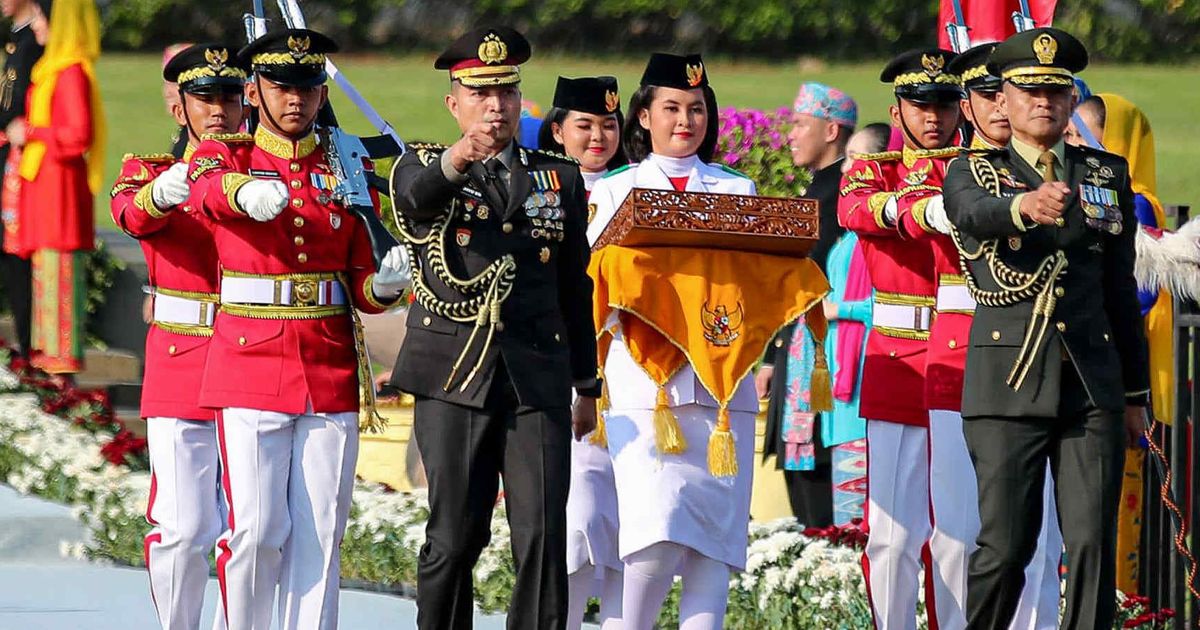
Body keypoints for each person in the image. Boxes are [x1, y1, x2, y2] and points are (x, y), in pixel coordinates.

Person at [588, 52, 828, 630]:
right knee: (652, 535)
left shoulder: (736, 187)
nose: (685, 120)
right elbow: (596, 283)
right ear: (643, 116)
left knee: (715, 546)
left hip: (724, 391)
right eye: (670, 107)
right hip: (649, 387)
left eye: (696, 108)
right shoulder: (614, 190)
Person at [187, 28, 410, 629]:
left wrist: (384, 287)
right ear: (254, 91)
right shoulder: (226, 154)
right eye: (282, 86)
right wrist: (242, 192)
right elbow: (205, 190)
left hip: (327, 360)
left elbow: (362, 276)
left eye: (309, 88)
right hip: (250, 358)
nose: (297, 100)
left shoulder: (344, 158)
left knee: (321, 533)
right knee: (257, 530)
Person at [387, 26, 599, 630]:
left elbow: (572, 285)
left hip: (536, 376)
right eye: (479, 93)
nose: (495, 106)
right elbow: (416, 202)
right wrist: (460, 159)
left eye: (505, 92)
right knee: (455, 533)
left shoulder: (558, 176)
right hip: (455, 373)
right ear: (454, 103)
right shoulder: (426, 165)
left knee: (542, 534)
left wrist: (586, 385)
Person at [943, 27, 1149, 629]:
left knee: (1091, 547)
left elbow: (1119, 287)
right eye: (1029, 90)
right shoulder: (976, 169)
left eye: (1057, 91)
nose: (1044, 102)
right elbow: (969, 213)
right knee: (1006, 548)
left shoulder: (1104, 173)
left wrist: (1135, 393)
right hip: (1010, 380)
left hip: (1092, 383)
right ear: (1001, 100)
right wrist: (1021, 208)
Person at [110, 42, 247, 630]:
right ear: (180, 111)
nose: (217, 110)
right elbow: (133, 214)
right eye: (203, 99)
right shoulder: (146, 171)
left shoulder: (265, 176)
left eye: (228, 98)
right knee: (185, 524)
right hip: (181, 354)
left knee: (251, 525)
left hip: (249, 355)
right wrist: (168, 187)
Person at [838, 47, 959, 629]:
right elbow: (857, 209)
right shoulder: (874, 168)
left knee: (960, 532)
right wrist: (922, 211)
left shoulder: (979, 168)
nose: (932, 115)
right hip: (899, 354)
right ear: (897, 108)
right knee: (891, 533)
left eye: (943, 102)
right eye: (919, 103)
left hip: (964, 356)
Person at [1067, 91, 1171, 595]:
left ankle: (1126, 609)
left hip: (1118, 372)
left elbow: (1135, 292)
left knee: (1113, 518)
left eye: (1079, 134)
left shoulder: (1132, 201)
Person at [539, 74, 626, 630]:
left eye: (609, 125)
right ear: (557, 130)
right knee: (573, 522)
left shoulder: (640, 189)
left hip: (632, 370)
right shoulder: (539, 190)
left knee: (627, 524)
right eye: (585, 125)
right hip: (566, 366)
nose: (598, 137)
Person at [756, 82, 856, 527]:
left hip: (827, 364)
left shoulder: (843, 198)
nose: (790, 135)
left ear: (831, 129)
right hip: (795, 357)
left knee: (823, 507)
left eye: (800, 124)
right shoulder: (815, 192)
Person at [17, 0, 104, 375]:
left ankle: (59, 366)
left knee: (60, 279)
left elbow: (78, 135)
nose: (36, 26)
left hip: (60, 195)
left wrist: (33, 132)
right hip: (45, 190)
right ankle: (47, 360)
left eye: (40, 17)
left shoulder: (70, 73)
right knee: (46, 277)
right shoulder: (51, 69)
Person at [0, 0, 42, 359]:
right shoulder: (17, 39)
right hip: (8, 153)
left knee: (19, 255)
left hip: (24, 162)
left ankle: (29, 347)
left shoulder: (35, 41)